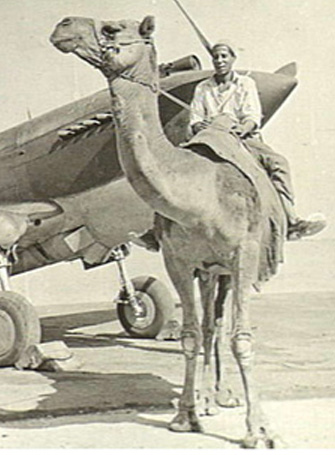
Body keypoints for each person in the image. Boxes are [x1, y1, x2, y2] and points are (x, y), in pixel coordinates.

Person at [129, 40, 326, 250]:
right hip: (209, 138)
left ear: (233, 59)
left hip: (239, 137)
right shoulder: (203, 88)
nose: (219, 61)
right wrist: (199, 125)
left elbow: (252, 115)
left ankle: (291, 219)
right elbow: (195, 118)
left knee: (278, 163)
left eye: (224, 56)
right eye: (216, 57)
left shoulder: (245, 84)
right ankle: (155, 231)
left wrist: (243, 127)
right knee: (173, 171)